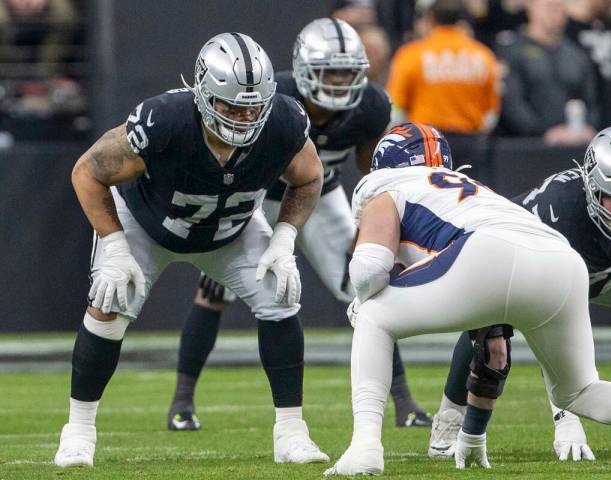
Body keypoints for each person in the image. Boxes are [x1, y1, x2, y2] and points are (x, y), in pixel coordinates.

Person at [323, 122, 611, 475]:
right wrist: (473, 435)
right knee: (579, 390)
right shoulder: (475, 193)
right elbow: (492, 342)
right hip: (563, 262)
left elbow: (369, 270)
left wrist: (362, 300)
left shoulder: (387, 186)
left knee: (373, 316)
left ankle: (364, 448)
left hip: (489, 255)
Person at [53, 32, 329, 467]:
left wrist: (284, 236)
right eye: (232, 105)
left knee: (280, 295)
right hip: (147, 225)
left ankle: (291, 432)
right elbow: (87, 171)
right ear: (202, 93)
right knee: (108, 305)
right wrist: (114, 245)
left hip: (230, 231)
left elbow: (310, 176)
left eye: (253, 106)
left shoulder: (283, 122)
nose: (244, 116)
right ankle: (78, 432)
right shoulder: (164, 119)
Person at [167, 18, 431, 434]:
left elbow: (369, 171)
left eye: (347, 71)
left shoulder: (371, 106)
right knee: (214, 290)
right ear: (305, 69)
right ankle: (182, 402)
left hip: (322, 195)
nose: (340, 81)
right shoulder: (277, 95)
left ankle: (404, 402)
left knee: (366, 286)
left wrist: (369, 224)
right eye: (330, 71)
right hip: (256, 197)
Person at [428, 126, 611, 462]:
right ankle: (449, 418)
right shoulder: (559, 212)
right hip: (520, 266)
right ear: (592, 186)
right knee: (490, 324)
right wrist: (565, 417)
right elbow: (544, 319)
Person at [386, 0, 499, 181]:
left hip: (424, 144)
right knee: (469, 201)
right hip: (469, 144)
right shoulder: (483, 55)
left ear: (430, 19)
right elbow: (491, 113)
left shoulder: (411, 55)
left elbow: (396, 108)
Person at [496, 0, 599, 144]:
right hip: (525, 147)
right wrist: (544, 133)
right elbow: (512, 103)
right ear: (531, 7)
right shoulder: (512, 50)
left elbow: (591, 99)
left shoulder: (577, 53)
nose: (556, 11)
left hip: (574, 145)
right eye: (550, 6)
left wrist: (588, 126)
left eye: (560, 6)